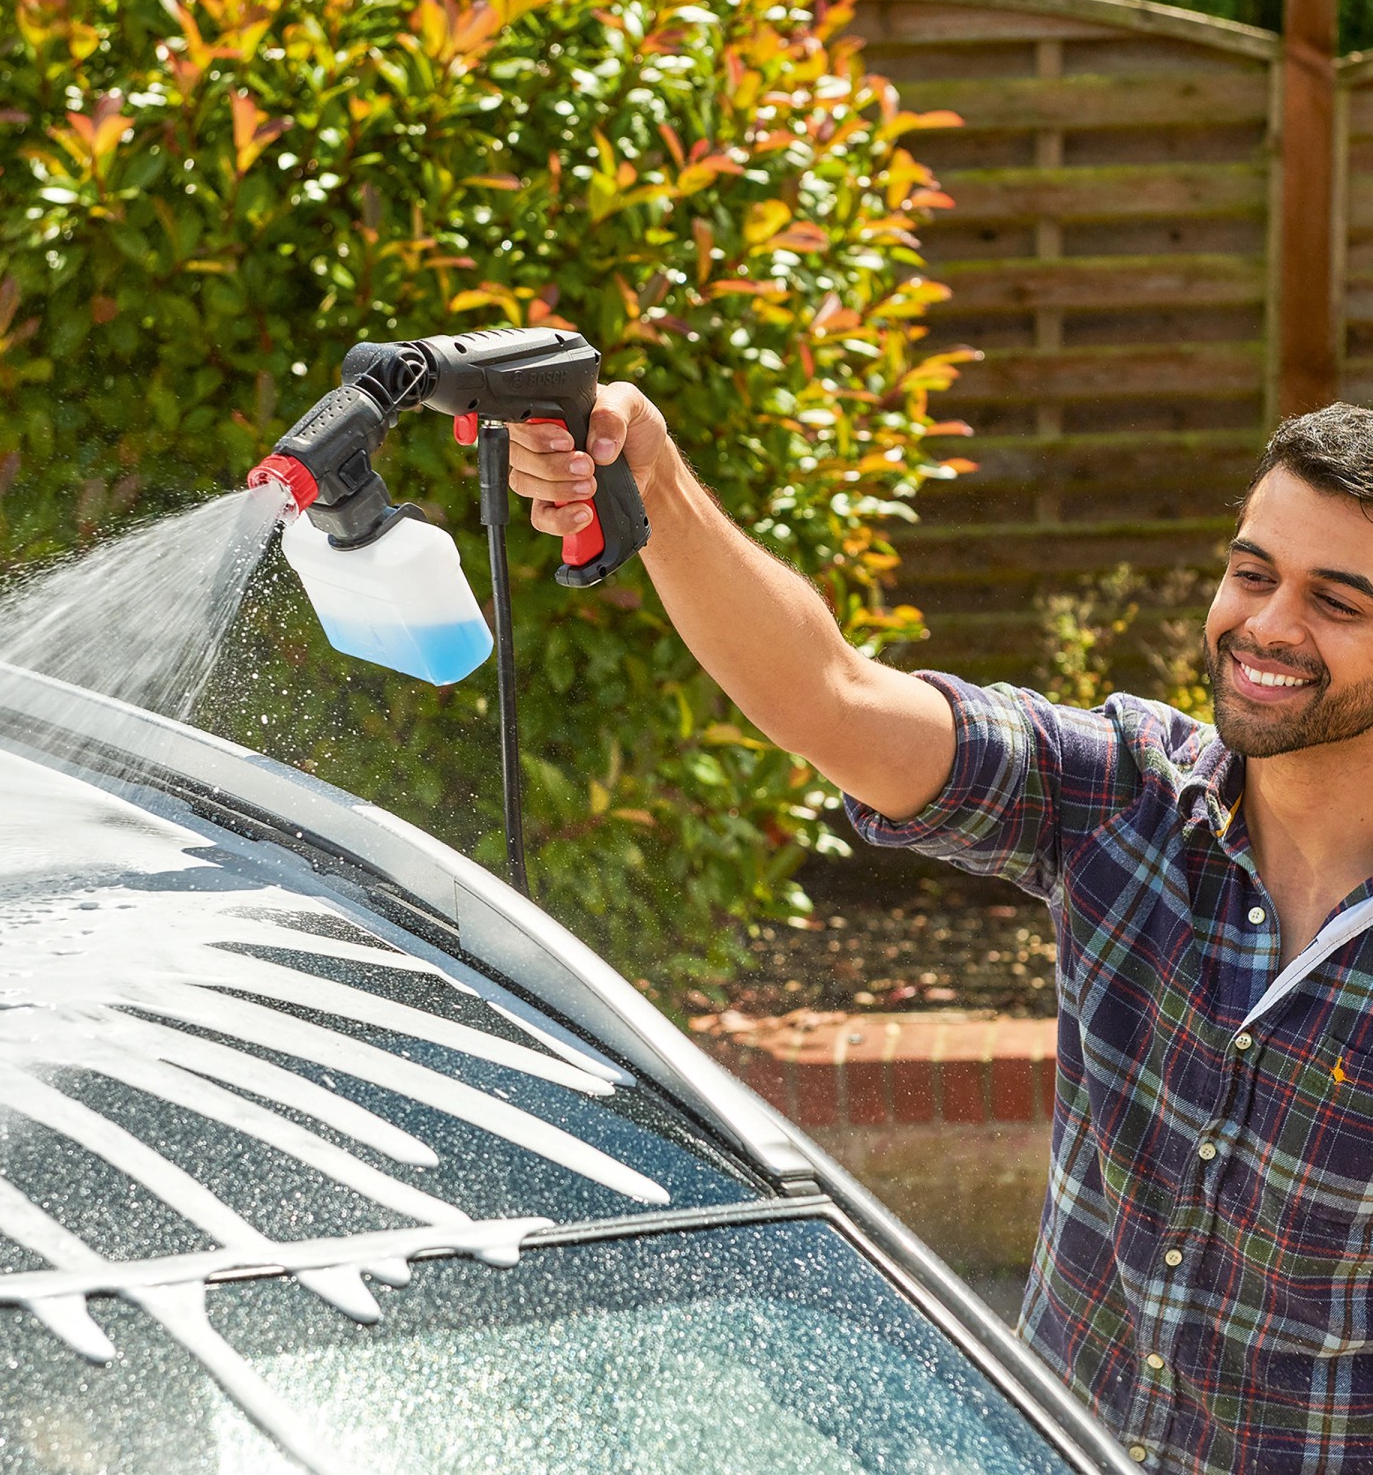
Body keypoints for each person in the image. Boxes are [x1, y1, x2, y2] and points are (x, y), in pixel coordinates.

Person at [507, 393, 1373, 1475]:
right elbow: (834, 697)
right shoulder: (1127, 798)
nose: (1269, 626)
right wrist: (659, 482)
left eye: (1338, 602)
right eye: (1253, 574)